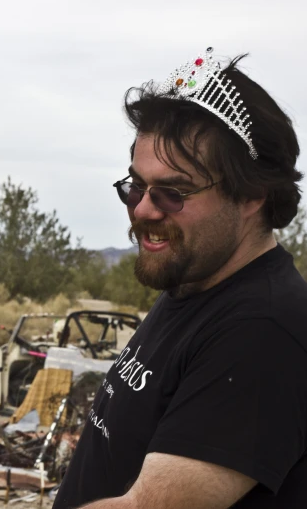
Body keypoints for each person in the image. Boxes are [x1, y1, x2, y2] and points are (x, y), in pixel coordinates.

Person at [54, 47, 307, 508]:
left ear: (252, 194)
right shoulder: (194, 281)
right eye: (135, 186)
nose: (144, 210)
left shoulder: (263, 330)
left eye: (173, 192)